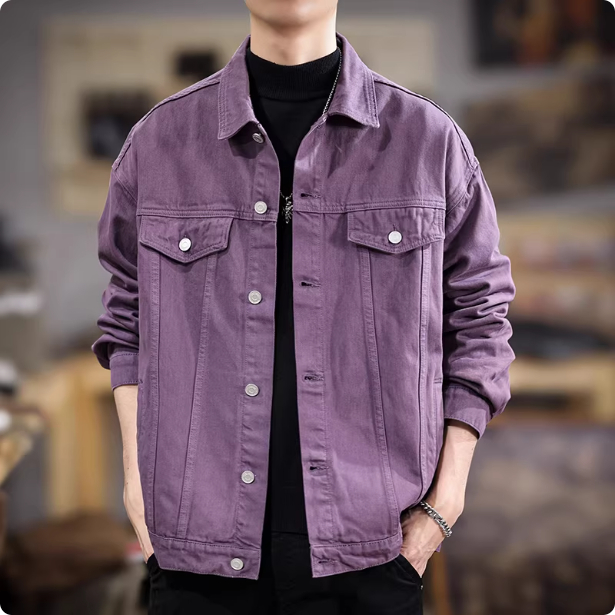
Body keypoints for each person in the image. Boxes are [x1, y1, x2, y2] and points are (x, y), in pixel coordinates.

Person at [92, 1, 516, 613]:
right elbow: (127, 321)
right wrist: (137, 489)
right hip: (195, 551)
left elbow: (480, 317)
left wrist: (444, 502)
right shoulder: (160, 144)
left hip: (375, 551)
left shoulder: (428, 142)